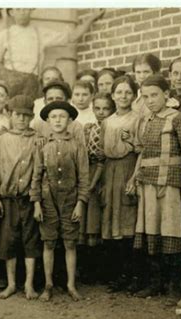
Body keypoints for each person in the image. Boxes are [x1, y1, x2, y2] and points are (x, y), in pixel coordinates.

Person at [130, 75, 181, 302]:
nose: (150, 100)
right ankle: (155, 283)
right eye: (145, 96)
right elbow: (142, 152)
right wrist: (136, 179)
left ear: (166, 94)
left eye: (154, 95)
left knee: (171, 231)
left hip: (169, 185)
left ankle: (174, 287)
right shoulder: (145, 120)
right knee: (153, 231)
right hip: (148, 184)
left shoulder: (176, 118)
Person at [31, 101, 90, 302]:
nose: (58, 120)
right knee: (48, 243)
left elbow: (84, 177)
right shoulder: (42, 146)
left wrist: (80, 203)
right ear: (48, 120)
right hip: (48, 202)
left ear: (70, 120)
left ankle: (71, 285)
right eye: (54, 117)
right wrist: (36, 203)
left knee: (70, 243)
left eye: (62, 116)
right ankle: (48, 285)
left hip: (70, 201)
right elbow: (36, 177)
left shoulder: (77, 146)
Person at [0, 95, 41, 300]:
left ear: (31, 117)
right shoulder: (2, 140)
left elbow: (39, 170)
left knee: (30, 240)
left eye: (26, 115)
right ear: (10, 115)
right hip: (8, 199)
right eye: (17, 115)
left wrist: (36, 198)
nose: (21, 119)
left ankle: (28, 284)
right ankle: (11, 284)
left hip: (29, 199)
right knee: (8, 241)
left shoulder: (36, 139)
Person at [0, 8, 105, 97]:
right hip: (10, 82)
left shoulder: (39, 33)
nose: (22, 12)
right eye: (18, 9)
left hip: (32, 82)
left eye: (26, 8)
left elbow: (71, 37)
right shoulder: (4, 34)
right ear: (11, 12)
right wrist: (0, 83)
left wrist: (92, 18)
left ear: (31, 10)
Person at [98, 76, 140, 291]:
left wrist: (132, 142)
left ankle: (131, 274)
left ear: (134, 95)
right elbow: (103, 154)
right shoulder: (107, 121)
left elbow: (141, 148)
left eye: (128, 92)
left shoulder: (138, 119)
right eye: (119, 92)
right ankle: (115, 275)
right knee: (111, 219)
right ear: (113, 95)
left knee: (127, 220)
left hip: (128, 167)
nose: (123, 96)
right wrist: (103, 181)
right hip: (111, 170)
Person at [78, 92, 114, 284]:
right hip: (88, 172)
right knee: (86, 219)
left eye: (106, 108)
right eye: (97, 108)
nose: (101, 112)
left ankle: (102, 270)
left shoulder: (112, 127)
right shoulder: (88, 128)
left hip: (106, 174)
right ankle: (86, 269)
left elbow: (105, 158)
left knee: (101, 221)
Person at [31, 79, 84, 144]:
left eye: (59, 99)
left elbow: (81, 151)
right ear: (45, 102)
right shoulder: (37, 126)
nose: (54, 102)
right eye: (50, 99)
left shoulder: (76, 127)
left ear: (68, 101)